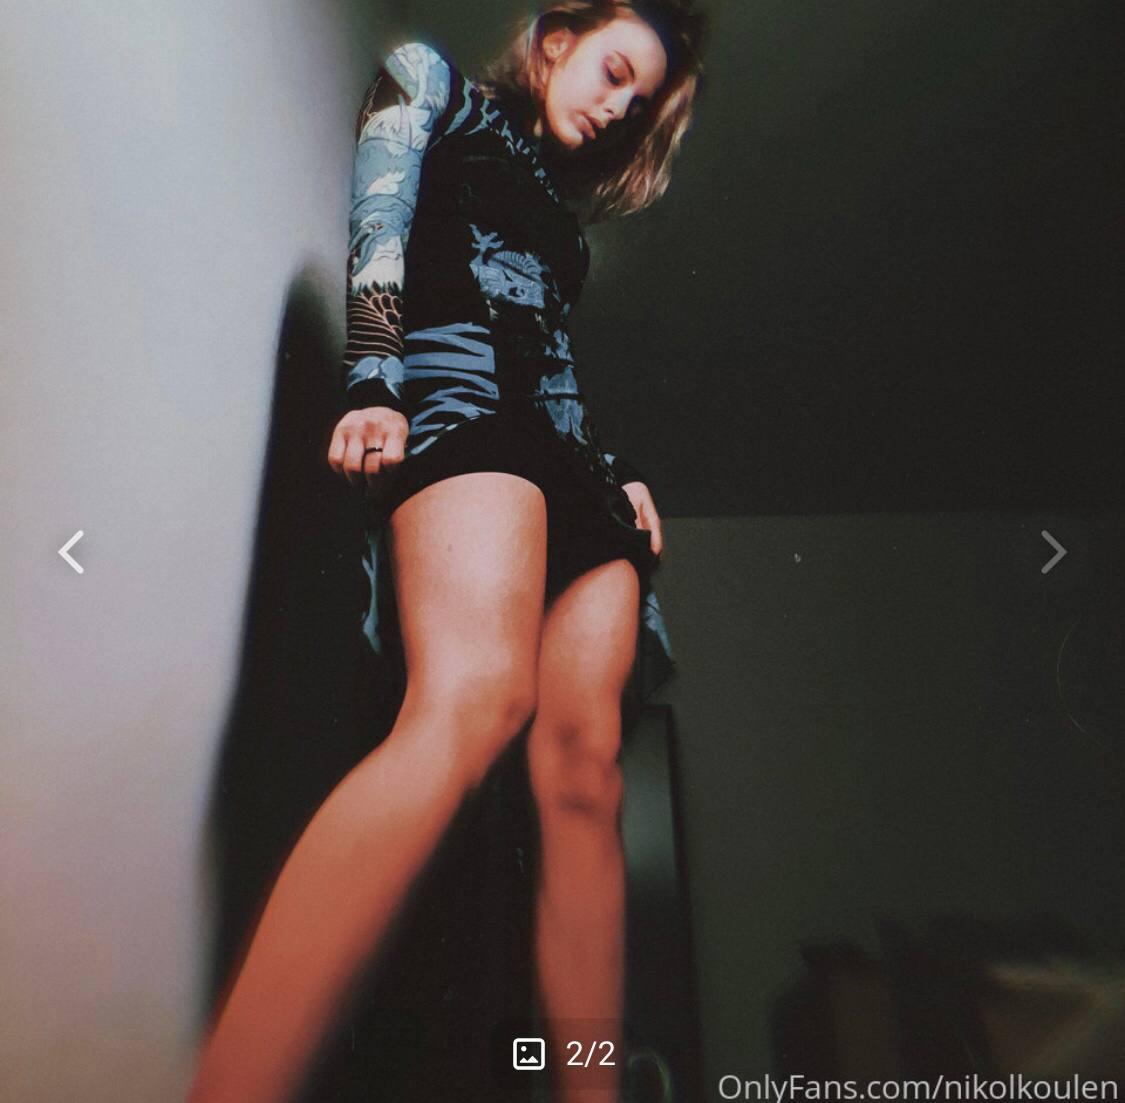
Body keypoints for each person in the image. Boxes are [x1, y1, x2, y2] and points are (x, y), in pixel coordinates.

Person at [186, 4, 705, 1101]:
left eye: (639, 98)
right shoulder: (434, 87)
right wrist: (374, 377)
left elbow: (554, 366)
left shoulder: (565, 226)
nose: (619, 104)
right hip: (463, 418)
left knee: (587, 778)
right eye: (614, 69)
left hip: (575, 475)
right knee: (472, 700)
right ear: (557, 39)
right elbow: (380, 209)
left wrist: (616, 472)